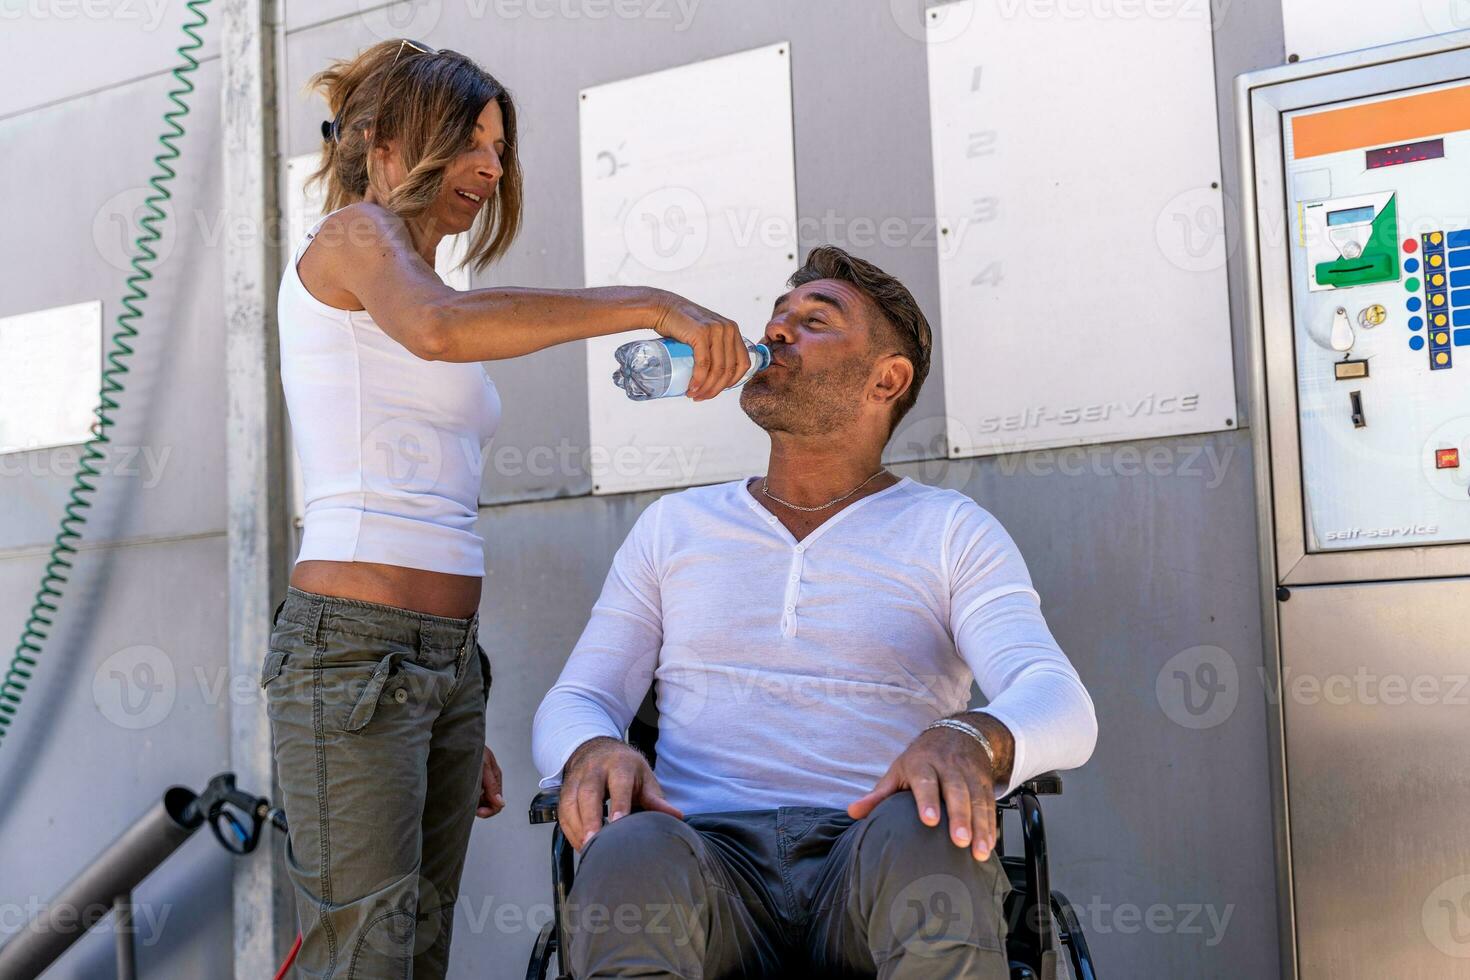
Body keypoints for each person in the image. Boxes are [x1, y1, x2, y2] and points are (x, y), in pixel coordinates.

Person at [260, 38, 751, 979]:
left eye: (498, 146)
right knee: (365, 960)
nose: (490, 165)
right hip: (354, 651)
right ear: (387, 145)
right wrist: (649, 301)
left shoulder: (442, 287)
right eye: (468, 141)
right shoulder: (354, 237)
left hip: (438, 665)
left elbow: (434, 464)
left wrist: (457, 697)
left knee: (420, 953)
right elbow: (436, 333)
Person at [532, 245, 1099, 978]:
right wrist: (592, 749)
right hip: (706, 862)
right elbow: (579, 698)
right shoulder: (676, 527)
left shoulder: (949, 529)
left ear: (885, 380)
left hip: (874, 853)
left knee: (932, 832)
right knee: (630, 845)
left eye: (814, 321)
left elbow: (1063, 703)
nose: (777, 334)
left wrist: (970, 736)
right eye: (778, 317)